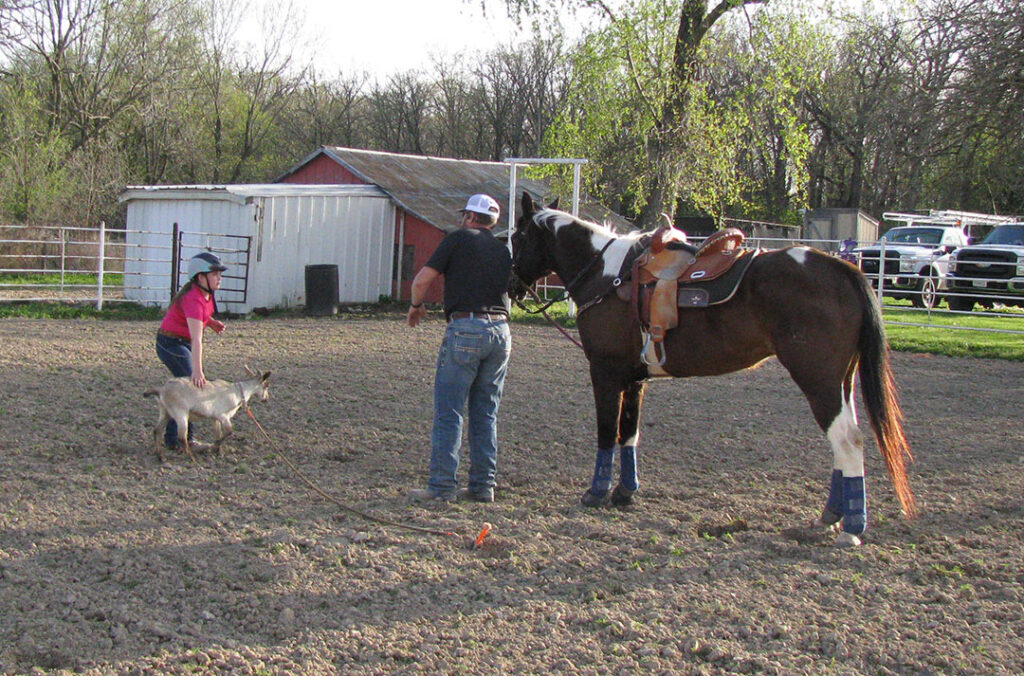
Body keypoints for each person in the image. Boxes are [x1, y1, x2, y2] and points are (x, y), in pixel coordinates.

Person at [407, 194, 512, 503]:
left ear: (469, 217)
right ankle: (482, 487)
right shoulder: (503, 249)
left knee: (450, 411)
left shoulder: (457, 239)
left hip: (466, 327)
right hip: (501, 332)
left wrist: (415, 306)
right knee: (486, 412)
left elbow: (421, 281)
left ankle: (441, 488)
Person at [155, 251, 228, 452]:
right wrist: (196, 371)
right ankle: (180, 440)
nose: (219, 277)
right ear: (200, 277)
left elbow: (200, 318)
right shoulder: (194, 299)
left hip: (181, 342)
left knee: (185, 388)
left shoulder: (207, 296)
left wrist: (211, 322)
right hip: (170, 344)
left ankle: (175, 439)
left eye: (219, 273)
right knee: (189, 386)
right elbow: (197, 339)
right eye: (214, 274)